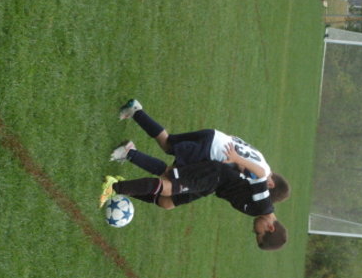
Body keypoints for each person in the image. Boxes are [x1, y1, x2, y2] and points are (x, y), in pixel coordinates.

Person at [99, 144, 288, 251]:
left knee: (167, 202)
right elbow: (261, 174)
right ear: (270, 227)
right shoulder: (264, 206)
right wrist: (238, 160)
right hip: (213, 176)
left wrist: (240, 170)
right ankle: (114, 186)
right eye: (258, 234)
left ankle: (127, 182)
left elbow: (250, 182)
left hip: (211, 186)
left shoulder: (261, 209)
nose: (254, 230)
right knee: (168, 186)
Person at [110, 99, 290, 203]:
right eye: (265, 190)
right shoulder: (261, 174)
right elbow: (244, 168)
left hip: (214, 136)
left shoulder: (262, 159)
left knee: (168, 144)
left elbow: (237, 141)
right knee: (170, 177)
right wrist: (235, 166)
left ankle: (136, 111)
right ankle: (129, 153)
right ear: (271, 184)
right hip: (209, 152)